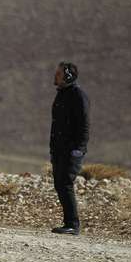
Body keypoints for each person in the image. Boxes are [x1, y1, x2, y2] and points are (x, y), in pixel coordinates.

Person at [50, 61, 89, 236]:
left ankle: (73, 224)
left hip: (71, 150)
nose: (55, 76)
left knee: (65, 183)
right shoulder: (62, 95)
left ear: (67, 75)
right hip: (59, 150)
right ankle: (68, 223)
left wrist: (78, 149)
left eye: (58, 74)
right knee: (60, 183)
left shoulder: (78, 96)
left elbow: (84, 125)